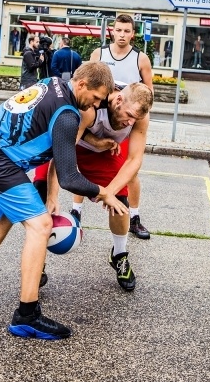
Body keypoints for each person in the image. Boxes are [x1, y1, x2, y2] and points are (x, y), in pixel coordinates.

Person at [0, 63, 127, 340]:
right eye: (96, 98)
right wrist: (104, 192)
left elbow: (58, 151)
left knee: (10, 211)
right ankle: (27, 315)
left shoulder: (53, 83)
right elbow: (71, 177)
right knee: (40, 224)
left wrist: (95, 144)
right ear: (82, 84)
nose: (95, 106)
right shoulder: (68, 115)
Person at [32, 83, 154, 291]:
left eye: (136, 119)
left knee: (120, 202)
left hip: (105, 151)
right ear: (118, 101)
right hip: (71, 143)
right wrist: (53, 196)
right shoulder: (92, 106)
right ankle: (37, 262)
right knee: (41, 192)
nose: (131, 122)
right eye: (130, 115)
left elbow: (134, 160)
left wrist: (110, 192)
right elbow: (61, 148)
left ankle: (119, 254)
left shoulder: (139, 119)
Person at [90, 14, 153, 239]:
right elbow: (88, 83)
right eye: (119, 30)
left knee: (130, 170)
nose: (122, 35)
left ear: (133, 34)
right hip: (101, 115)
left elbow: (149, 93)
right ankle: (76, 211)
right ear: (112, 31)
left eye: (127, 31)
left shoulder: (140, 59)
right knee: (81, 155)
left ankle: (134, 216)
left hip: (125, 119)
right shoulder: (99, 54)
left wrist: (136, 118)